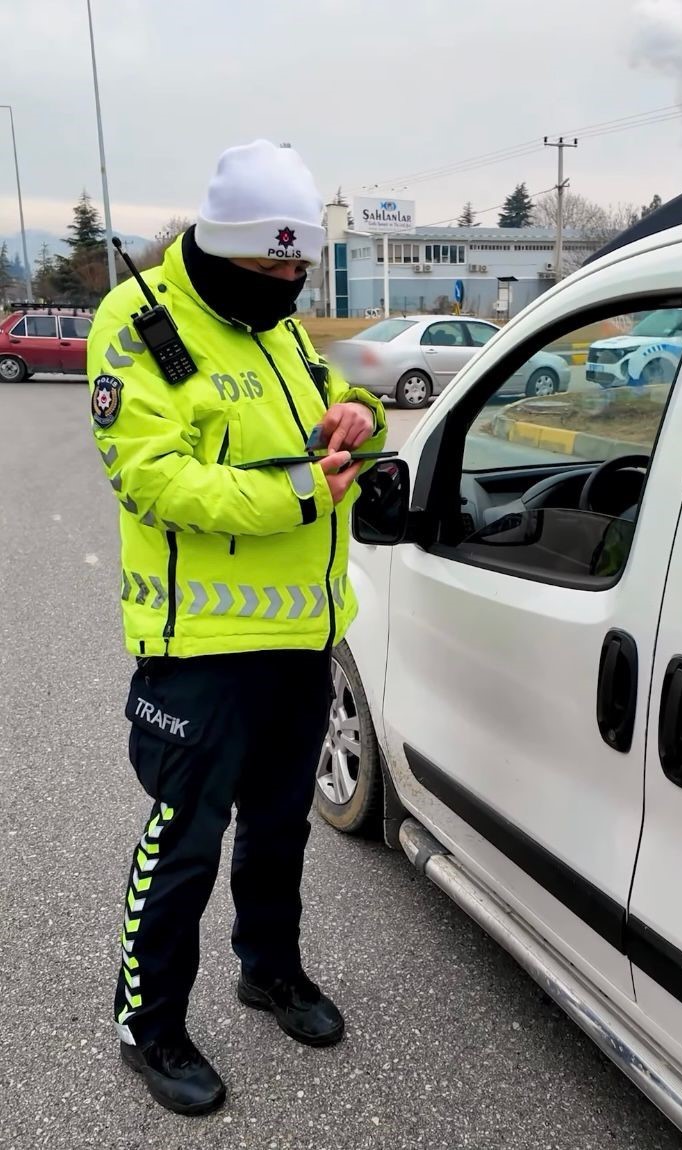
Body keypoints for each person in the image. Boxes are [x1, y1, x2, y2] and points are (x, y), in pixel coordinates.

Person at [87, 139, 387, 1117]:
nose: (286, 287)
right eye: (268, 269)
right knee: (184, 841)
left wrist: (358, 417)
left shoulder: (281, 328)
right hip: (199, 650)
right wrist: (299, 494)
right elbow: (151, 478)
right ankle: (148, 1024)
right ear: (220, 248)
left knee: (280, 825)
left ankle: (270, 970)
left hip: (301, 640)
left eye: (298, 272)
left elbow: (332, 406)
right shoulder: (137, 322)